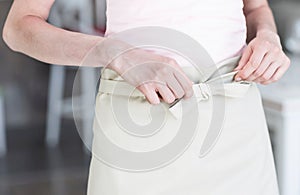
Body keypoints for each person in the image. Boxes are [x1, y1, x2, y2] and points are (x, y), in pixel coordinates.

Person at [2, 0, 290, 194]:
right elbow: (19, 28)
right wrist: (117, 54)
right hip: (139, 120)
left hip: (235, 116)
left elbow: (255, 8)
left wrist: (267, 36)